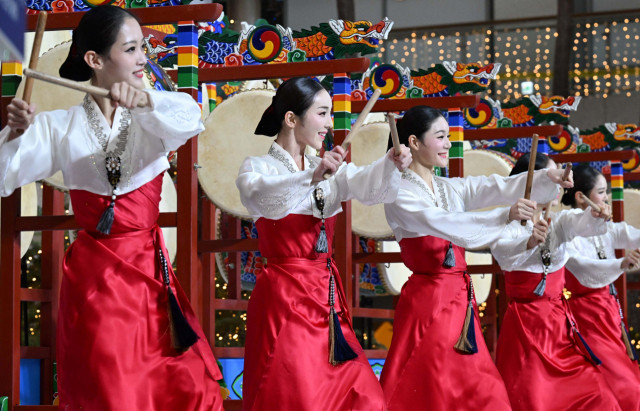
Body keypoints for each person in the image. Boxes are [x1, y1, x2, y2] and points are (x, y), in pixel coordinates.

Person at [1, 6, 223, 410]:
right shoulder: (59, 125)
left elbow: (191, 118)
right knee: (110, 385)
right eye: (132, 48)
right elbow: (5, 174)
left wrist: (143, 102)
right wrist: (15, 132)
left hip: (150, 274)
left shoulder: (153, 114)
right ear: (95, 60)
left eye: (144, 49)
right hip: (95, 280)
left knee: (174, 382)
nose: (143, 59)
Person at [379, 106, 572, 411]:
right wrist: (504, 215)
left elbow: (495, 186)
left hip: (460, 305)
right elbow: (447, 224)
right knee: (436, 393)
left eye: (448, 137)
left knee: (483, 394)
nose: (447, 144)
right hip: (429, 306)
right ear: (414, 143)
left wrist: (548, 177)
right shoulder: (399, 194)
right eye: (440, 137)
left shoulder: (446, 188)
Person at [236, 76, 411, 411]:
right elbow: (260, 194)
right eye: (322, 113)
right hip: (284, 299)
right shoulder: (258, 167)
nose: (329, 124)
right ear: (291, 119)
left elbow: (365, 182)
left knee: (365, 397)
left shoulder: (328, 167)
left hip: (326, 298)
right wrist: (310, 178)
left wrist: (390, 162)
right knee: (299, 396)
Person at [490, 153, 621, 411]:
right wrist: (528, 242)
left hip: (560, 326)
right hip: (527, 327)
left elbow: (576, 222)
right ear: (531, 182)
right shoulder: (509, 223)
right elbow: (504, 253)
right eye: (553, 177)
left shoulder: (557, 221)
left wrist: (594, 217)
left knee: (597, 395)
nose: (561, 183)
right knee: (534, 399)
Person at [563, 164, 640, 411]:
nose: (606, 198)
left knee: (626, 377)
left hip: (606, 310)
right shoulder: (566, 226)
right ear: (580, 197)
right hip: (588, 314)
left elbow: (625, 233)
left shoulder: (601, 225)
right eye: (601, 191)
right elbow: (582, 267)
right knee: (622, 382)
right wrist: (621, 262)